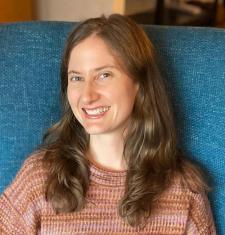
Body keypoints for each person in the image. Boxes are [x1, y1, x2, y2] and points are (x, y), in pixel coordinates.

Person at [0, 14, 216, 234]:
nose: (87, 96)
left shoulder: (184, 191)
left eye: (104, 75)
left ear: (139, 84)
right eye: (76, 78)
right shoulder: (39, 178)